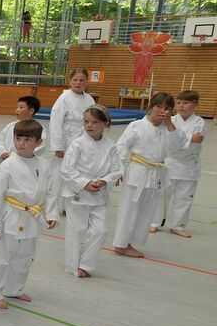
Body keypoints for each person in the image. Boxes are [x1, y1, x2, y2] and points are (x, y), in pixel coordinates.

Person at [0, 119, 57, 310]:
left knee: (25, 256)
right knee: (1, 256)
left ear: (38, 142)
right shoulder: (7, 165)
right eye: (18, 138)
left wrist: (52, 213)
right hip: (10, 216)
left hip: (31, 217)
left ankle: (14, 289)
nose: (21, 143)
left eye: (27, 139)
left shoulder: (44, 164)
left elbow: (51, 191)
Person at [111, 92, 185, 259]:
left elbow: (177, 146)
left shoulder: (170, 129)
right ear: (150, 107)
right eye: (158, 106)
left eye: (167, 108)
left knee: (146, 213)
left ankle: (130, 242)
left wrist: (169, 123)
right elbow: (121, 147)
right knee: (129, 210)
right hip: (137, 173)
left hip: (155, 174)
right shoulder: (136, 125)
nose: (162, 111)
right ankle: (120, 244)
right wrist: (117, 171)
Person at [60, 105, 123, 278]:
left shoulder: (110, 146)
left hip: (99, 193)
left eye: (95, 122)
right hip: (78, 193)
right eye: (86, 121)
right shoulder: (77, 143)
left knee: (100, 231)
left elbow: (117, 170)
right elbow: (66, 169)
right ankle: (72, 266)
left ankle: (86, 264)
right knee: (76, 230)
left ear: (106, 124)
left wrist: (104, 181)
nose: (89, 125)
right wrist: (85, 183)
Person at [151, 90, 207, 237]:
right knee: (162, 195)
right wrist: (188, 138)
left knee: (184, 197)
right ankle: (154, 222)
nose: (181, 106)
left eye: (186, 103)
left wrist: (179, 139)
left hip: (189, 165)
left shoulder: (200, 122)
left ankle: (177, 225)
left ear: (196, 104)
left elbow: (198, 139)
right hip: (170, 162)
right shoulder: (171, 120)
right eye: (179, 102)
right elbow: (170, 143)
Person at [48, 68, 95, 217]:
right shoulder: (64, 98)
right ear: (70, 81)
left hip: (83, 142)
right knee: (57, 176)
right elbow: (56, 122)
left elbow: (93, 122)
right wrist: (58, 146)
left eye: (82, 80)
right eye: (75, 80)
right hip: (66, 141)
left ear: (87, 82)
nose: (78, 83)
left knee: (77, 175)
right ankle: (51, 209)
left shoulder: (89, 100)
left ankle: (69, 206)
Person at [0, 96, 43, 161]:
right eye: (17, 107)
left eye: (21, 107)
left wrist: (21, 156)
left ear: (31, 111)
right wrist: (3, 152)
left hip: (27, 162)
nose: (17, 110)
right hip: (7, 161)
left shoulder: (38, 128)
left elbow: (40, 146)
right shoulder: (10, 126)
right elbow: (1, 141)